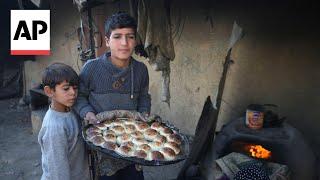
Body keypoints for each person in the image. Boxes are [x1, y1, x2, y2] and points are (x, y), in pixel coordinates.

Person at [74, 12, 151, 180]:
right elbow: (79, 97)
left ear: (136, 40)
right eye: (117, 37)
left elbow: (144, 97)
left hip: (133, 140)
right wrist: (87, 113)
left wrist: (144, 113)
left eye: (130, 37)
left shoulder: (141, 70)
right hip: (103, 142)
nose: (124, 43)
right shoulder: (91, 69)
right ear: (107, 41)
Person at [38, 63, 90, 180]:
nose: (73, 93)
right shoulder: (54, 128)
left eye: (75, 88)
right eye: (66, 88)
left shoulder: (71, 111)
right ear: (49, 91)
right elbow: (58, 170)